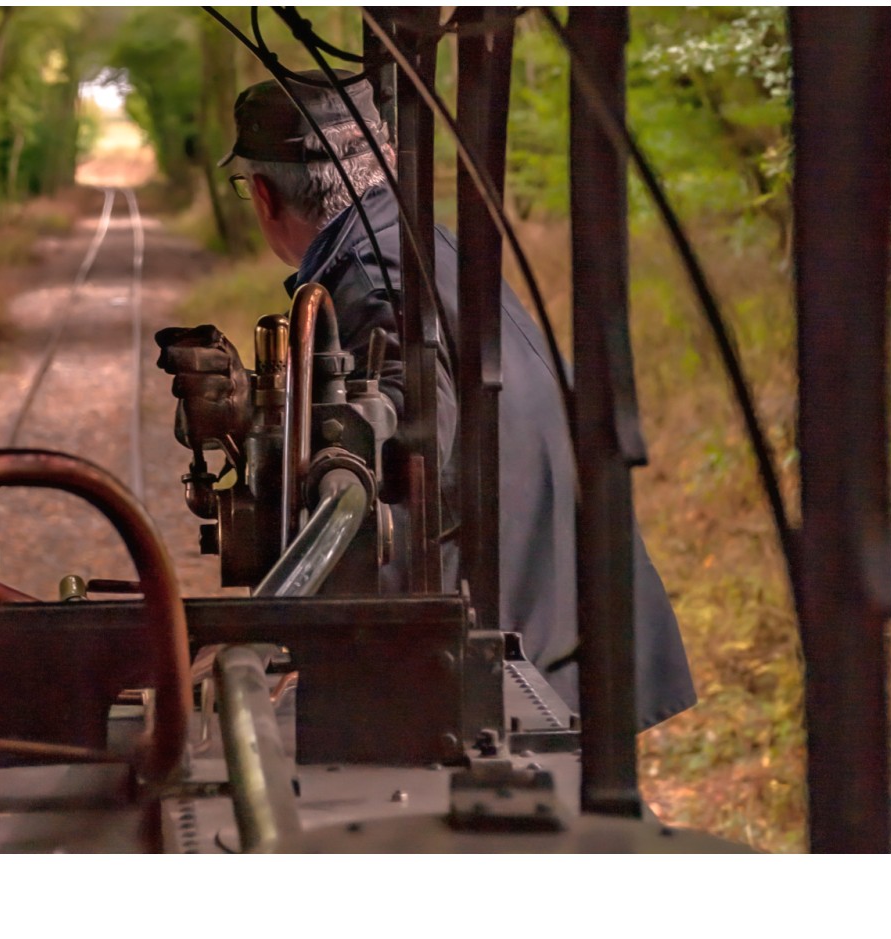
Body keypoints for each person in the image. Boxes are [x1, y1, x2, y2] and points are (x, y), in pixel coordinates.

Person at [156, 71, 696, 730]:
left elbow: (412, 424)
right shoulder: (421, 246)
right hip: (571, 620)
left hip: (526, 657)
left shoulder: (370, 277)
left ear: (263, 195)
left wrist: (255, 418)